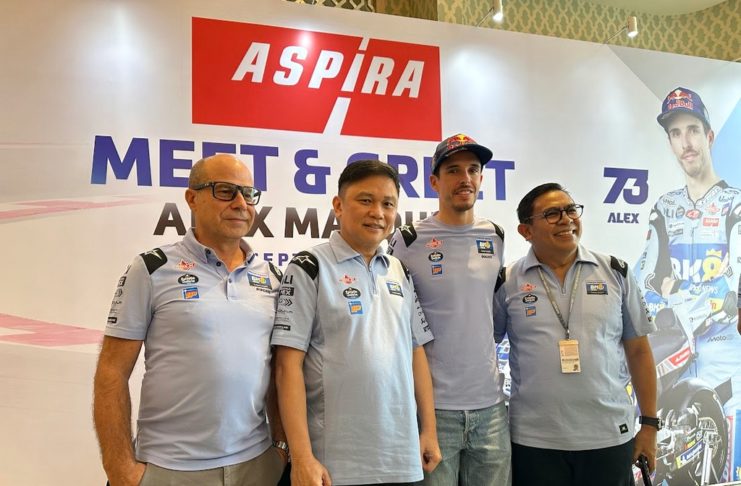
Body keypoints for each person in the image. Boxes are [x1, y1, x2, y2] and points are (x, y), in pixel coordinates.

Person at [93, 154, 287, 486]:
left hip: (256, 466)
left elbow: (278, 371)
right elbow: (112, 372)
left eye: (248, 194)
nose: (241, 203)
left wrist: (281, 448)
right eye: (225, 191)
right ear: (192, 198)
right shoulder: (152, 269)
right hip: (168, 469)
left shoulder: (272, 276)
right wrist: (120, 468)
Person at [271, 160, 441, 486]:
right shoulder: (309, 267)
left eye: (388, 204)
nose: (377, 212)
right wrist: (302, 456)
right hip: (333, 463)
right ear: (338, 205)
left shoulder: (399, 271)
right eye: (365, 200)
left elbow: (416, 351)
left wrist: (429, 431)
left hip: (400, 457)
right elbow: (286, 367)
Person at [493, 183, 658, 486]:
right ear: (526, 231)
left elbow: (639, 351)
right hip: (534, 440)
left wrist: (649, 424)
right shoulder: (508, 281)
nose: (566, 219)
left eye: (571, 210)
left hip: (608, 435)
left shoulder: (615, 272)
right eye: (552, 214)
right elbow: (483, 347)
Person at [388, 133, 510, 485]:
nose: (465, 178)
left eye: (473, 169)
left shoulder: (495, 235)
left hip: (491, 407)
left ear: (482, 178)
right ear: (434, 182)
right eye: (453, 170)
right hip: (434, 410)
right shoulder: (408, 239)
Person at [634, 87, 741, 478]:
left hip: (724, 349)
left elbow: (736, 276)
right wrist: (660, 295)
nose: (686, 142)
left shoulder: (734, 204)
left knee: (724, 461)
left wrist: (683, 291)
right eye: (676, 133)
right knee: (671, 462)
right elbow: (646, 275)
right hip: (677, 347)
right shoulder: (665, 207)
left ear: (709, 136)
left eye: (693, 130)